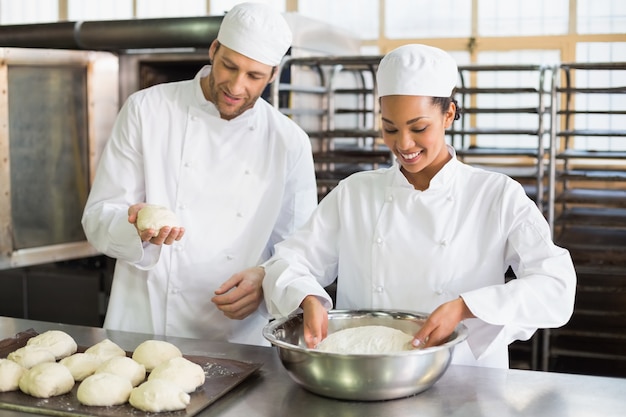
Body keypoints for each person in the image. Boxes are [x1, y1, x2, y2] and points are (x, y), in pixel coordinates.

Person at [262, 44, 577, 367]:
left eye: (419, 128)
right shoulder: (355, 193)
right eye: (390, 128)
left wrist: (468, 307)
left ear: (449, 114)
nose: (404, 144)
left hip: (466, 381)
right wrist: (307, 296)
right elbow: (288, 261)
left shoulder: (495, 195)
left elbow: (556, 286)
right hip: (368, 381)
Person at [81, 2, 317, 346]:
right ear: (213, 50)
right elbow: (97, 218)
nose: (236, 87)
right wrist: (132, 227)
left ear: (273, 74)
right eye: (229, 67)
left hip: (240, 338)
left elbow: (298, 249)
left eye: (254, 76)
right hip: (147, 327)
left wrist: (265, 280)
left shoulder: (288, 141)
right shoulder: (147, 111)